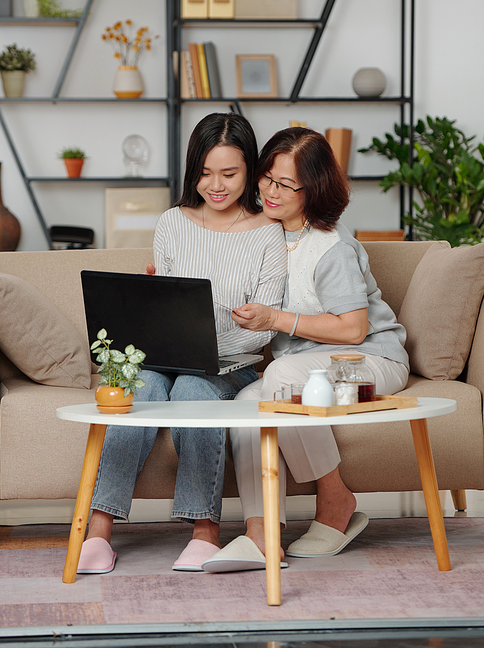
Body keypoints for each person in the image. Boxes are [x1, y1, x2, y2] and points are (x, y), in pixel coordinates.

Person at [77, 113, 287, 575]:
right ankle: (98, 531)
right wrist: (156, 302)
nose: (216, 185)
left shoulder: (268, 232)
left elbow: (266, 327)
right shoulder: (173, 222)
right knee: (143, 387)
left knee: (193, 391)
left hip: (230, 364)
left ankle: (204, 531)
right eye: (205, 173)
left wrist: (230, 324)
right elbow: (163, 303)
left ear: (250, 171)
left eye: (229, 174)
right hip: (165, 358)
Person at [201, 126, 409, 573]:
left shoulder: (330, 246)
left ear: (312, 189)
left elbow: (354, 328)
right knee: (245, 404)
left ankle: (336, 500)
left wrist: (276, 319)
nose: (271, 192)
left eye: (286, 185)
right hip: (307, 369)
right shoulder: (263, 235)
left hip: (371, 361)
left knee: (282, 377)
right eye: (266, 179)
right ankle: (261, 534)